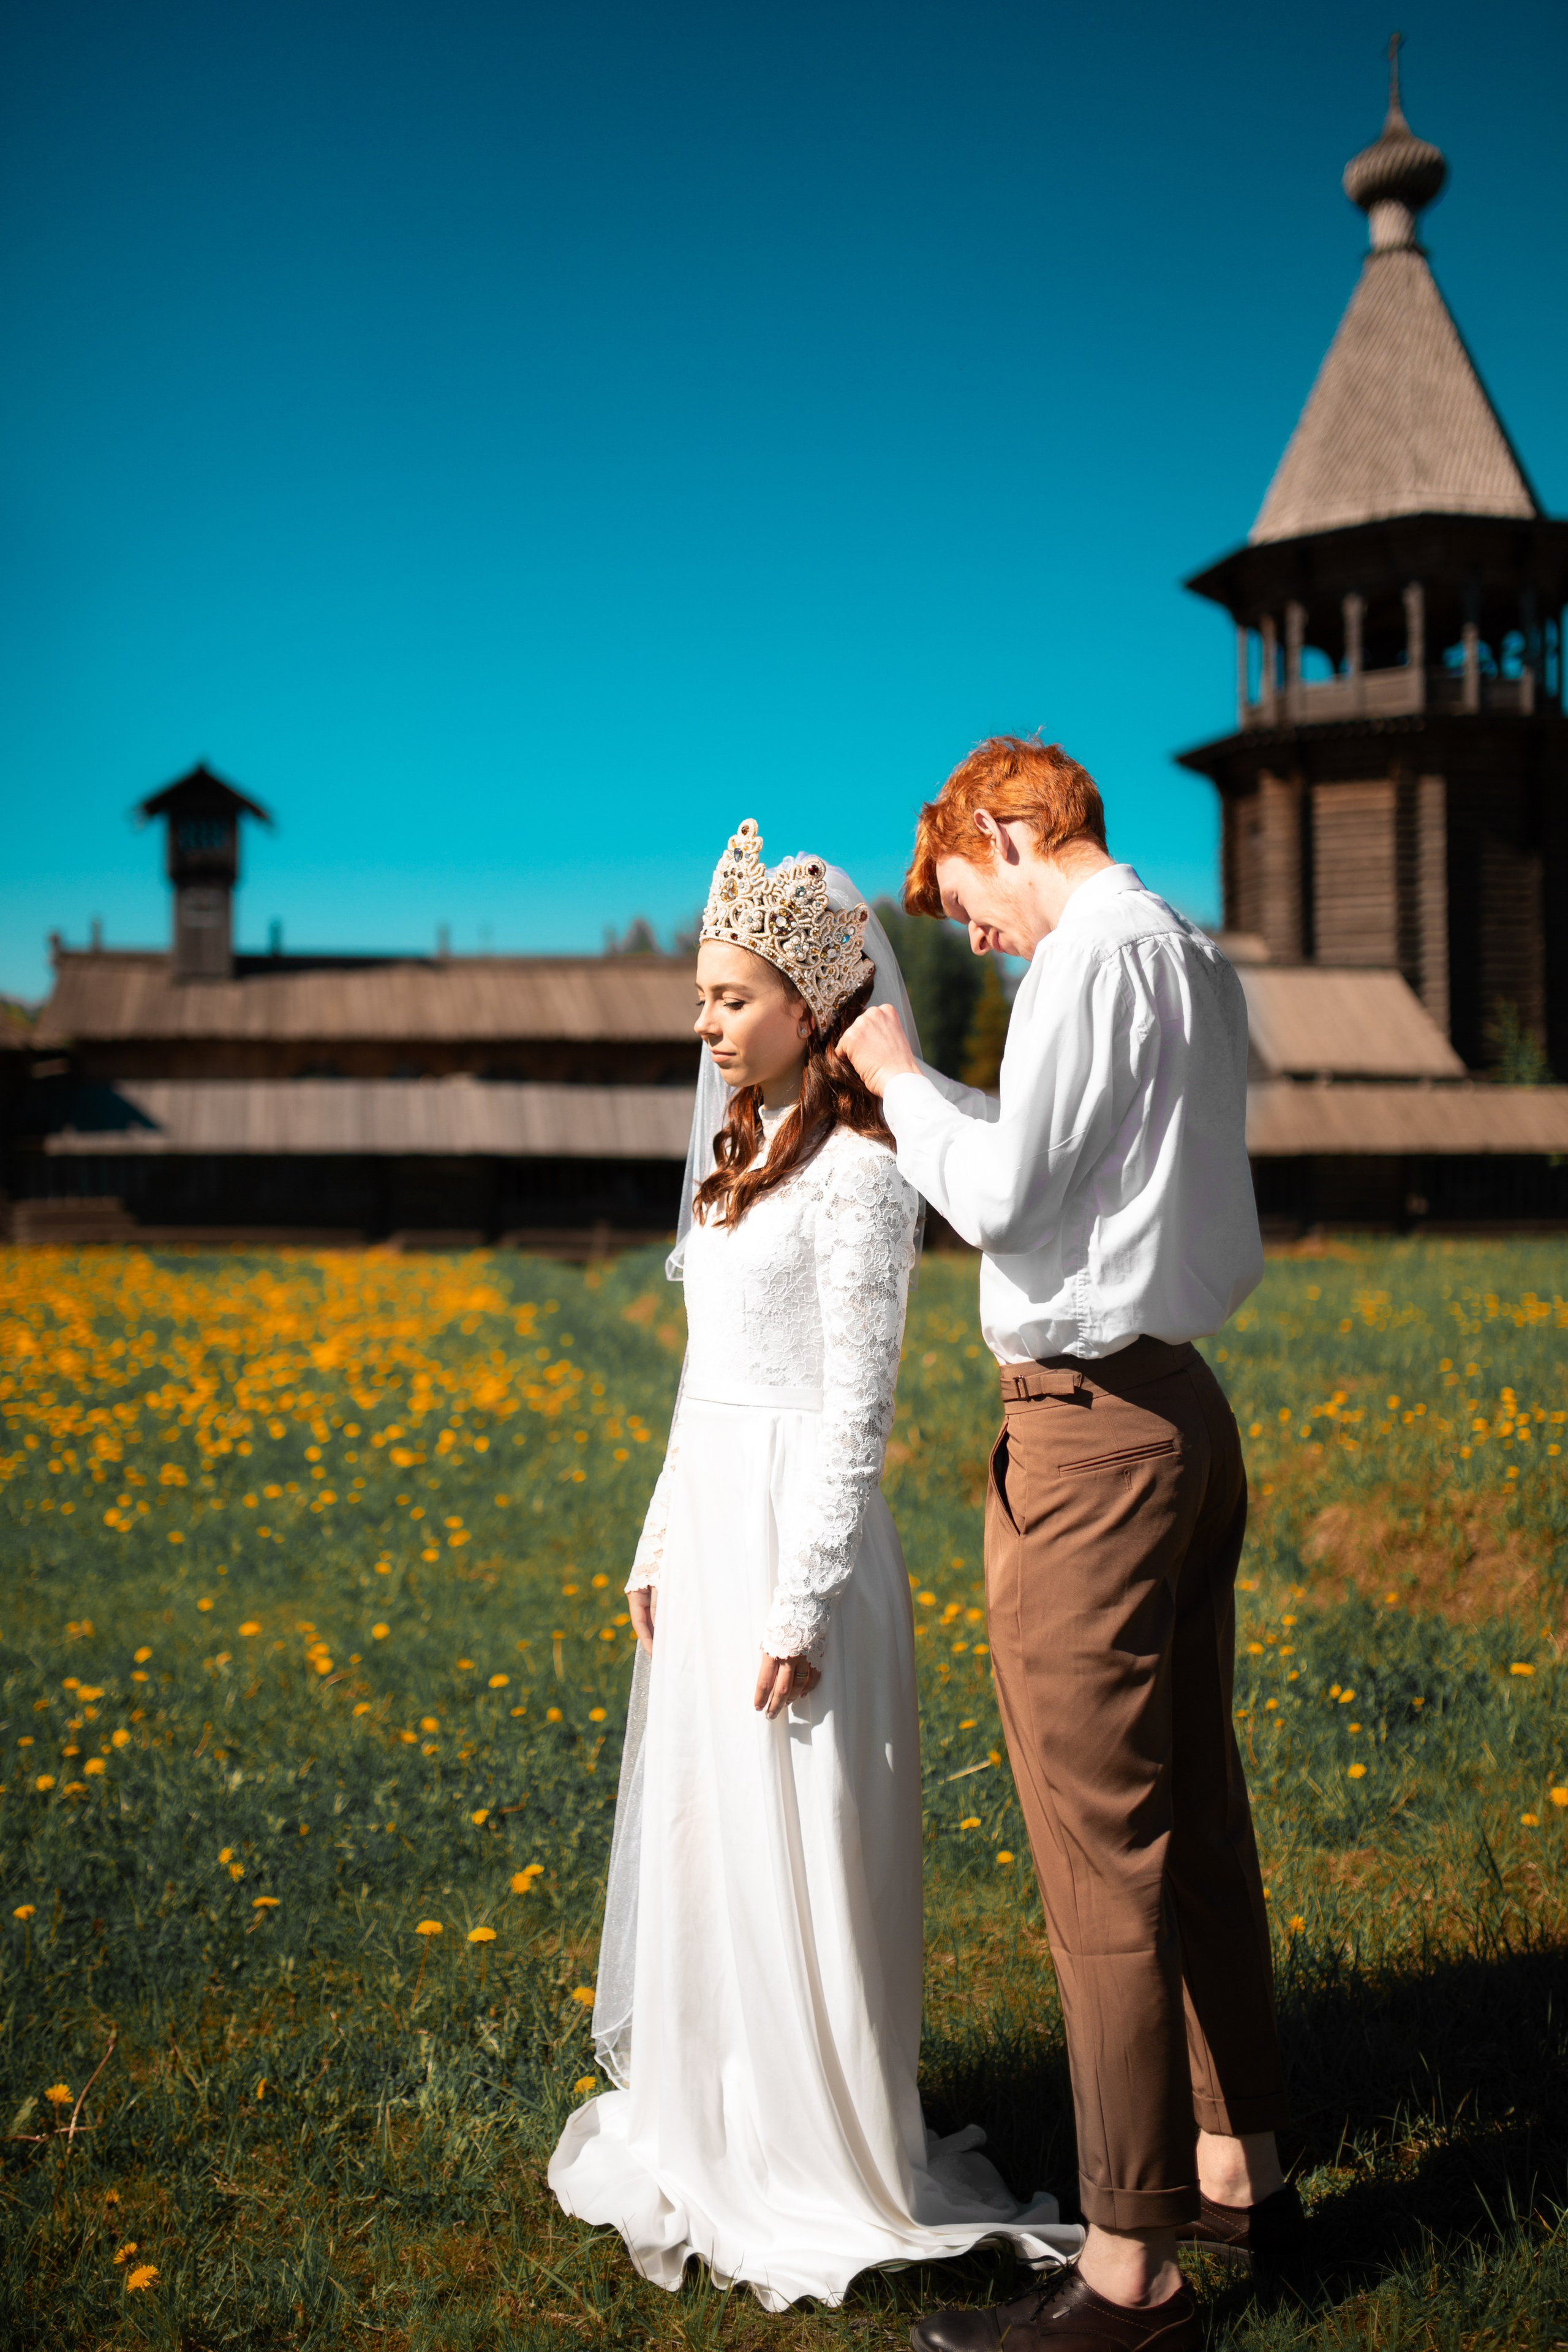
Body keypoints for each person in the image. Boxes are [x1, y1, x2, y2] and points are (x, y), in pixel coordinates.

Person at [548, 819, 1084, 2312]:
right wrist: (660, 1534)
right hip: (715, 1516)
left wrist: (800, 1599)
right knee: (710, 1827)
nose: (706, 1028)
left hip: (798, 1533)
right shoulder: (733, 1168)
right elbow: (702, 1378)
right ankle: (711, 2105)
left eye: (730, 1000)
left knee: (800, 1827)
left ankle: (808, 2136)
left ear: (807, 1005)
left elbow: (858, 1407)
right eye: (701, 1001)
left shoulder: (857, 1175)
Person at [839, 738, 1300, 2352]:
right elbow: (1079, 1168)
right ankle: (1237, 2169)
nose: (972, 937)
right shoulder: (1187, 955)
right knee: (1198, 1812)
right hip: (1181, 1412)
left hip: (1092, 1441)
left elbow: (1013, 1203)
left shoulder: (1084, 967)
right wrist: (946, 1106)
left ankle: (1127, 2276)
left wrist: (898, 1078)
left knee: (1101, 1856)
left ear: (1010, 828)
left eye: (966, 898)